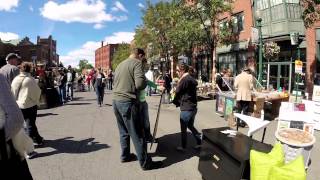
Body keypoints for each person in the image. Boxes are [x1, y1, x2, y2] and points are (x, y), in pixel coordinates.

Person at [112, 48, 162, 170]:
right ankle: (145, 163)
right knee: (137, 133)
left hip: (116, 101)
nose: (143, 60)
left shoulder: (121, 64)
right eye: (143, 57)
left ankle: (125, 156)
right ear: (139, 55)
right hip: (128, 102)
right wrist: (146, 84)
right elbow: (140, 84)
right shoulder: (137, 63)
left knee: (124, 132)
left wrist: (153, 85)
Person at [0, 73, 33, 179]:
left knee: (30, 123)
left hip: (6, 151)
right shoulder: (29, 78)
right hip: (26, 104)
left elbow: (15, 118)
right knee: (30, 123)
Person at [11, 62, 43, 146]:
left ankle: (38, 139)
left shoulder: (16, 79)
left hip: (19, 105)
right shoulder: (30, 79)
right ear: (30, 69)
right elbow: (37, 93)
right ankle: (28, 146)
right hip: (29, 105)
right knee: (30, 125)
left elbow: (12, 93)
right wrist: (37, 101)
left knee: (30, 124)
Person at [172, 63, 202, 152]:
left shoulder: (185, 79)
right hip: (192, 107)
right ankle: (200, 142)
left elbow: (177, 91)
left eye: (177, 71)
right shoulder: (190, 78)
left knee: (184, 128)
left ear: (182, 70)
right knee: (190, 126)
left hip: (187, 108)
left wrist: (175, 101)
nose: (177, 73)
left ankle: (183, 147)